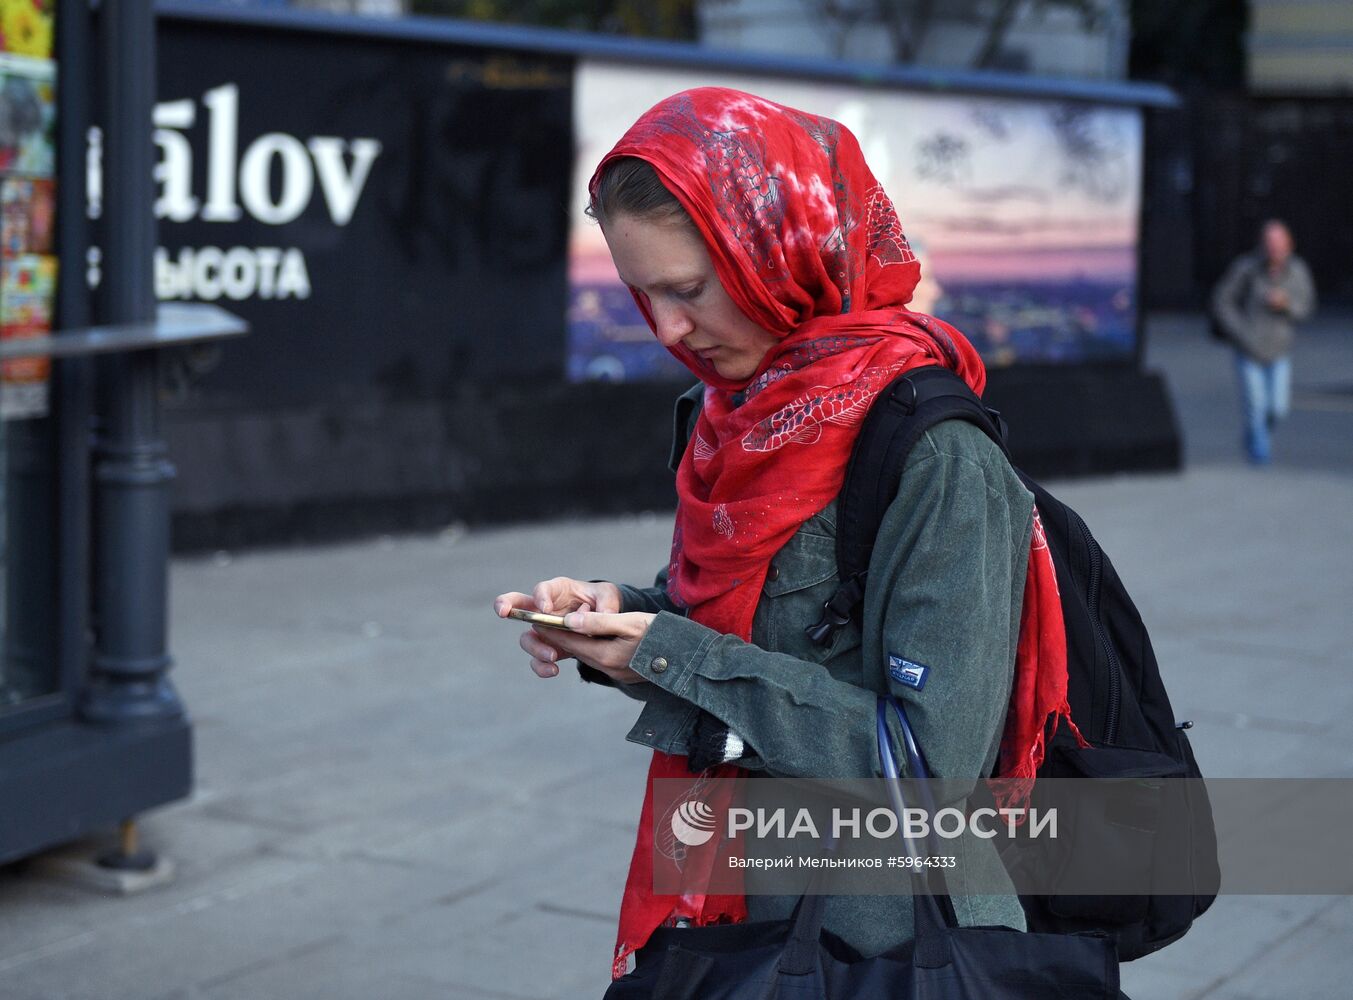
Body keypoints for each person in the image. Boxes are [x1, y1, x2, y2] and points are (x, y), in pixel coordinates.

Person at [492, 88, 1078, 980]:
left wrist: (669, 653)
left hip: (883, 944)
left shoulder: (934, 453)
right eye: (641, 296)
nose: (668, 330)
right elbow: (737, 625)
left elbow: (933, 764)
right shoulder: (736, 410)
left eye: (687, 290)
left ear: (781, 252)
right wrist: (619, 620)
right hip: (733, 899)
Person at [1211, 219, 1316, 465]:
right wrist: (1239, 330)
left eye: (1279, 244)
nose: (1274, 249)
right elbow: (1222, 300)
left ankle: (1256, 437)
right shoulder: (1247, 269)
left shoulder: (1297, 271)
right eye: (1270, 243)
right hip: (1249, 347)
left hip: (1279, 349)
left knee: (1278, 407)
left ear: (1289, 244)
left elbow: (1307, 307)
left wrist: (1286, 304)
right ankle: (1259, 455)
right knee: (1255, 404)